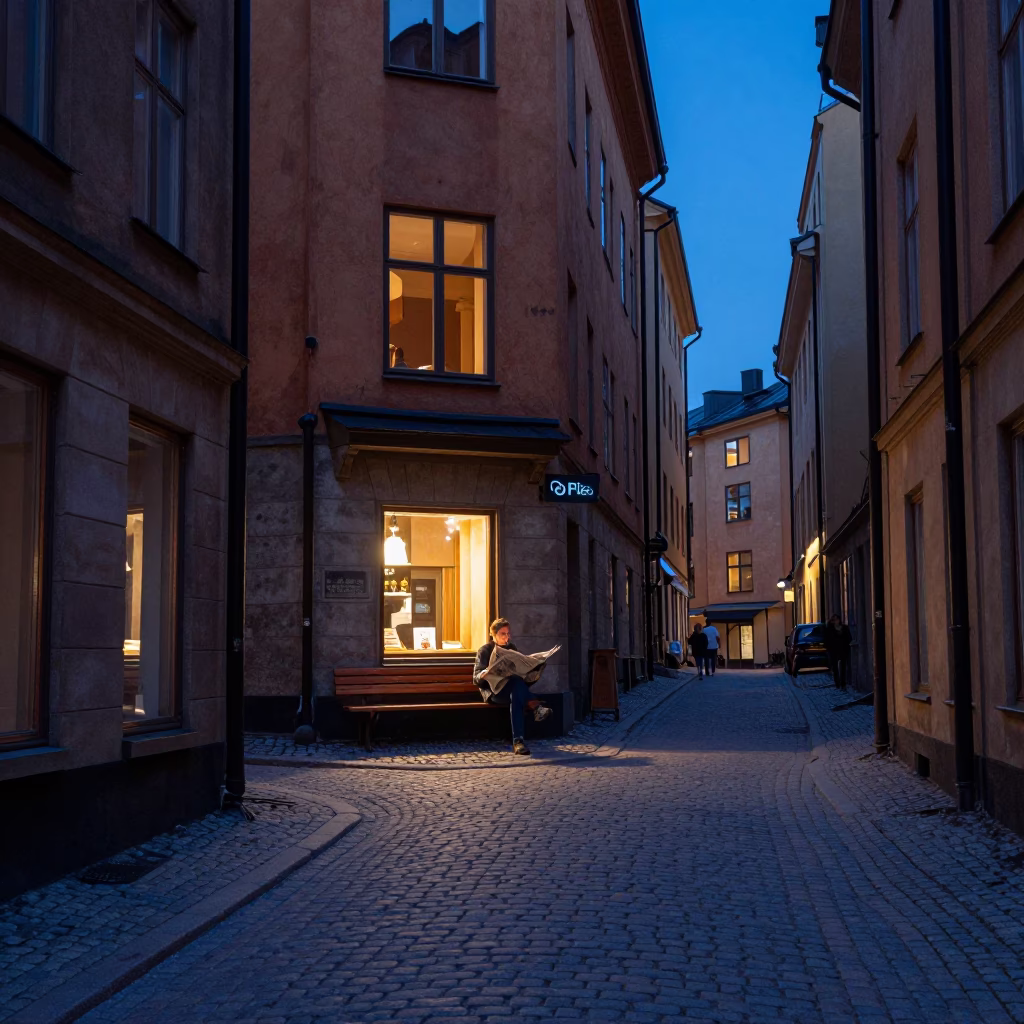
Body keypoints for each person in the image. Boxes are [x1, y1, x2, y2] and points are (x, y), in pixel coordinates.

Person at [474, 618, 551, 755]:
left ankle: (518, 742)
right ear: (494, 634)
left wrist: (535, 667)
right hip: (494, 693)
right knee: (517, 688)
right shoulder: (485, 650)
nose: (507, 637)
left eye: (508, 633)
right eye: (503, 634)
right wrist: (483, 674)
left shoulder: (511, 648)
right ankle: (535, 707)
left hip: (512, 690)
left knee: (516, 691)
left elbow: (521, 674)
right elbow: (476, 679)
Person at [824, 613, 853, 690]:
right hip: (833, 651)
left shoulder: (845, 628)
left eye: (837, 619)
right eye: (834, 620)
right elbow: (827, 640)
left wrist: (846, 645)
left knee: (843, 667)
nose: (836, 621)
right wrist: (829, 649)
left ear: (839, 620)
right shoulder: (829, 629)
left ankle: (843, 684)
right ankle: (837, 684)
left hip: (843, 650)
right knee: (835, 668)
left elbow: (849, 638)